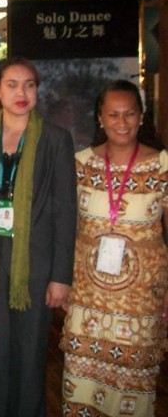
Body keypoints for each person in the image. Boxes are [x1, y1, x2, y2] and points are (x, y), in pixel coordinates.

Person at [0, 56, 77, 417]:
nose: (21, 92)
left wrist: (61, 276)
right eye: (11, 85)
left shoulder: (55, 139)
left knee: (30, 356)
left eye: (29, 84)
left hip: (36, 264)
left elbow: (65, 209)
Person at [60, 80, 168, 416]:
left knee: (131, 385)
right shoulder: (80, 165)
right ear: (100, 118)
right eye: (113, 114)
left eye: (129, 114)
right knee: (83, 382)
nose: (122, 122)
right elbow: (64, 228)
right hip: (87, 298)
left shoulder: (162, 166)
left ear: (141, 116)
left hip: (140, 301)